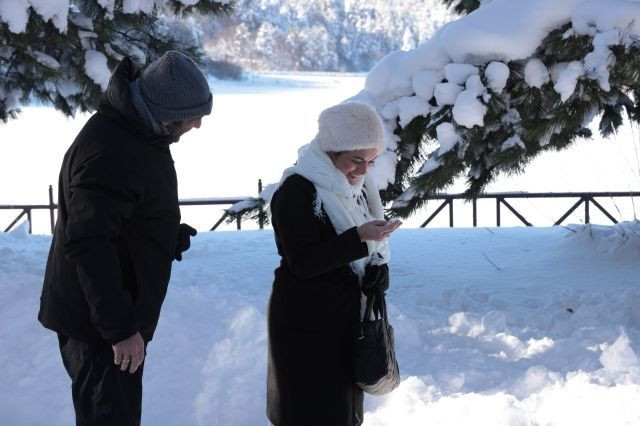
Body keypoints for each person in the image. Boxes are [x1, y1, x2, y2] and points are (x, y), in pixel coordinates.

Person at [38, 50, 211, 426]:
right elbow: (88, 242)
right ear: (168, 111)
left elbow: (117, 217)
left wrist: (160, 234)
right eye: (195, 114)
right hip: (100, 330)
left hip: (107, 321)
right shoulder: (114, 148)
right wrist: (120, 331)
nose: (198, 124)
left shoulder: (136, 132)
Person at [266, 101, 402, 426]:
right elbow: (304, 262)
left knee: (344, 412)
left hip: (345, 321)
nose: (364, 171)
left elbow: (362, 255)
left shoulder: (357, 188)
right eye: (357, 160)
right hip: (305, 327)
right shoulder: (297, 191)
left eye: (371, 161)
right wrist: (360, 239)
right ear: (332, 150)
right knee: (311, 412)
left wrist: (376, 269)